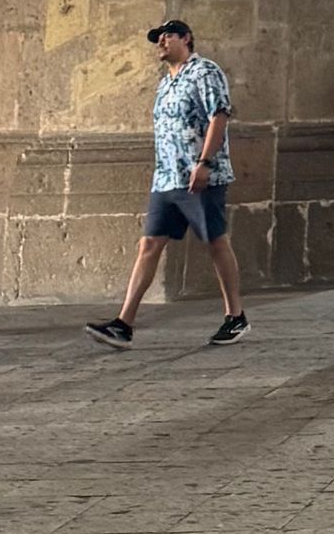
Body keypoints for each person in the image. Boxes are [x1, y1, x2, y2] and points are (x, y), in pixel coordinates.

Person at [86, 20, 249, 349]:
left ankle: (236, 316)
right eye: (157, 39)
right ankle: (123, 323)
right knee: (148, 245)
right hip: (166, 179)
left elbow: (219, 115)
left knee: (215, 242)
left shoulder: (205, 71)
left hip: (200, 177)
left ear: (186, 38)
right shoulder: (165, 83)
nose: (160, 43)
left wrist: (203, 162)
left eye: (167, 36)